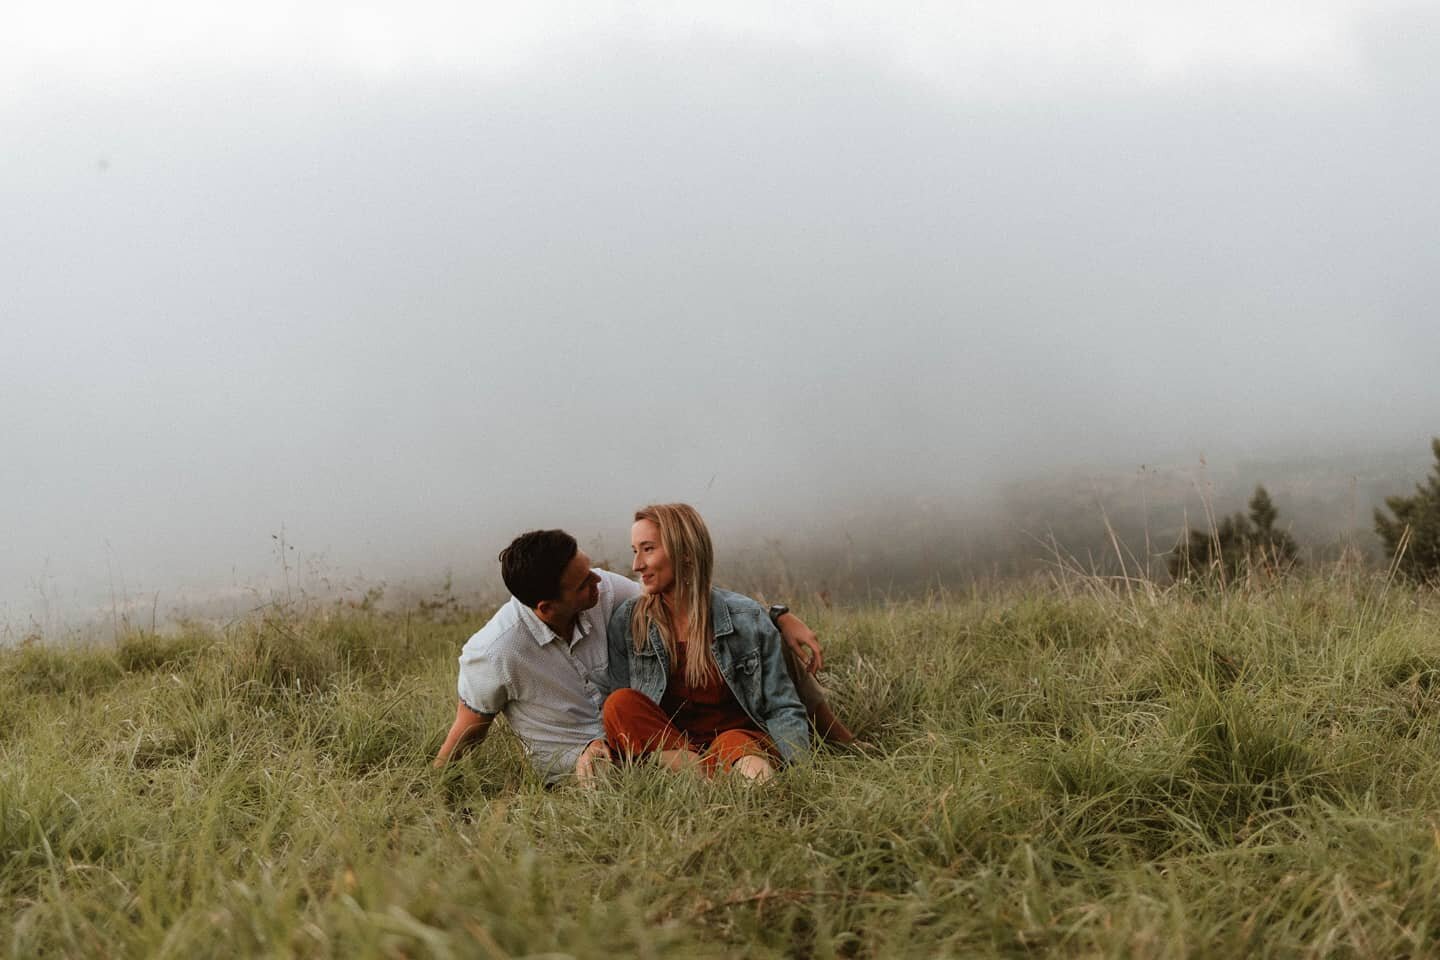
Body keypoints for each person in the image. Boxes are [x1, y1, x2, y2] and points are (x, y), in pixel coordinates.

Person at [433, 527, 850, 783]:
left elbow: (694, 600)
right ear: (546, 607)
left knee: (743, 683)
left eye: (591, 569)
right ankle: (729, 774)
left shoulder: (604, 590)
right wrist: (435, 785)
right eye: (582, 583)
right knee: (618, 719)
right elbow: (468, 728)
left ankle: (743, 765)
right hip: (583, 763)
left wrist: (776, 616)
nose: (599, 581)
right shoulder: (496, 651)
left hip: (658, 744)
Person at [598, 504, 810, 782]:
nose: (637, 565)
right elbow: (627, 715)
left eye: (648, 549)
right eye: (634, 551)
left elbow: (782, 705)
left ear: (685, 553)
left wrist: (799, 767)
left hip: (739, 743)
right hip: (672, 748)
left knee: (737, 747)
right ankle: (712, 781)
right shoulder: (627, 621)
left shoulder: (746, 618)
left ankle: (717, 785)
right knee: (619, 704)